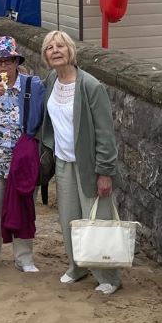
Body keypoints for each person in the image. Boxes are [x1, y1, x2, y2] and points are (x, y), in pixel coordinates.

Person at [40, 30, 123, 296]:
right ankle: (77, 266)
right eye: (50, 47)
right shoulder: (52, 79)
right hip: (64, 162)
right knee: (69, 220)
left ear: (71, 51)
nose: (55, 50)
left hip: (90, 164)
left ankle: (108, 275)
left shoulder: (90, 86)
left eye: (60, 46)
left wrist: (105, 172)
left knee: (97, 219)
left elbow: (105, 132)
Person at [0, 36, 45, 277]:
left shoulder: (32, 85)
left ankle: (24, 257)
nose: (3, 66)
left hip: (22, 161)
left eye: (8, 61)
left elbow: (42, 119)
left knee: (24, 206)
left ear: (16, 61)